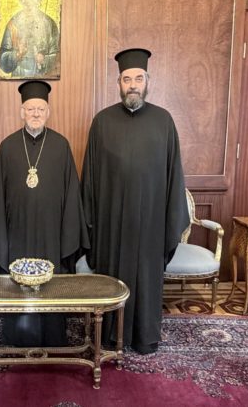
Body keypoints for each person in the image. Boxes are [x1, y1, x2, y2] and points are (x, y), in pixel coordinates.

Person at [81, 49, 189, 354]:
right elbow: (89, 179)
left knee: (146, 282)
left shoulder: (163, 121)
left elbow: (174, 175)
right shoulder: (102, 122)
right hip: (111, 225)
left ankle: (144, 337)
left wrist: (171, 221)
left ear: (147, 81)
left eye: (138, 79)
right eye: (127, 79)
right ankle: (109, 336)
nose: (132, 85)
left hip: (150, 227)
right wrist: (90, 224)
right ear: (118, 82)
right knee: (110, 280)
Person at [0, 80, 89, 346]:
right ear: (22, 112)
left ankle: (53, 337)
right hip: (16, 232)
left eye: (40, 109)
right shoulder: (7, 146)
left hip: (52, 233)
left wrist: (69, 235)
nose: (35, 114)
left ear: (48, 112)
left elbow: (72, 195)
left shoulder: (61, 146)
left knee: (52, 284)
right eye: (30, 109)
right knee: (17, 285)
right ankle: (18, 337)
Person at [0, 0, 60, 78]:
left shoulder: (50, 24)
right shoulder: (13, 24)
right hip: (19, 76)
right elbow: (2, 60)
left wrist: (44, 59)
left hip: (42, 77)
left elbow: (58, 58)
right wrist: (17, 54)